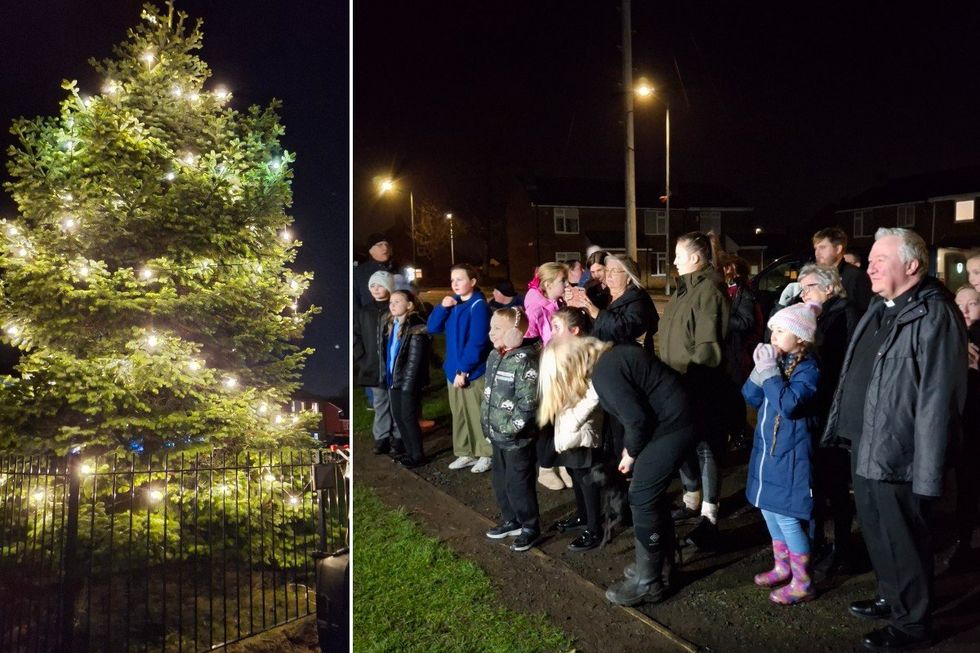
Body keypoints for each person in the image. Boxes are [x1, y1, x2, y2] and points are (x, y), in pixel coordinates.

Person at [822, 228, 967, 651]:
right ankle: (892, 597)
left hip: (898, 450)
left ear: (912, 265)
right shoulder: (881, 308)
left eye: (880, 259)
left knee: (903, 537)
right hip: (865, 443)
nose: (869, 266)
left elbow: (939, 398)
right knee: (876, 530)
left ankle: (913, 625)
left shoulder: (933, 314)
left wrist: (928, 470)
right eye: (870, 259)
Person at [541, 337, 694, 605]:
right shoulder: (610, 361)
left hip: (675, 426)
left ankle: (650, 583)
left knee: (642, 498)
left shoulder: (605, 372)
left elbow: (636, 418)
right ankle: (661, 566)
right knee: (650, 497)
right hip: (673, 421)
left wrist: (631, 454)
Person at [743, 302, 821, 605]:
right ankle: (782, 566)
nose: (773, 335)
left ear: (800, 337)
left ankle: (803, 582)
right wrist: (757, 371)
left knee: (788, 518)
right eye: (773, 329)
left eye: (781, 330)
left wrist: (770, 374)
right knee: (769, 510)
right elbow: (750, 397)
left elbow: (789, 405)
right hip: (769, 452)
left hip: (791, 454)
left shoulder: (808, 369)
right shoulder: (777, 363)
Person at [659, 232, 730, 549]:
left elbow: (708, 347)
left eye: (678, 254)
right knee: (683, 445)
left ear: (697, 258)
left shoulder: (708, 291)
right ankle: (691, 500)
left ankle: (710, 515)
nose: (673, 260)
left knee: (705, 448)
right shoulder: (682, 291)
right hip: (677, 383)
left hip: (699, 386)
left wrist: (690, 384)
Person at [797, 264, 860, 572]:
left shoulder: (844, 313)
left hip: (832, 410)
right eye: (801, 288)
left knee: (834, 482)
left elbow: (840, 363)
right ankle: (817, 540)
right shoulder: (817, 315)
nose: (803, 293)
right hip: (817, 407)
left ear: (829, 288)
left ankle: (843, 548)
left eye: (808, 286)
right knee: (817, 480)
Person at [541, 307, 604, 552]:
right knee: (574, 472)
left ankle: (594, 528)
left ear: (575, 330)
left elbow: (593, 395)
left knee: (586, 478)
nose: (552, 332)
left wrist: (575, 420)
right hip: (565, 425)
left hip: (581, 426)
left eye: (557, 327)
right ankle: (581, 515)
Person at [481, 307, 542, 552]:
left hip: (516, 438)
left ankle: (530, 526)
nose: (491, 333)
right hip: (496, 434)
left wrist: (511, 427)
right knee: (500, 481)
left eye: (498, 328)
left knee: (519, 483)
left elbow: (528, 403)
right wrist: (489, 424)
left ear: (515, 332)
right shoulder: (495, 356)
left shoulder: (525, 360)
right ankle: (511, 520)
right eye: (491, 327)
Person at [427, 263, 494, 473]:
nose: (455, 283)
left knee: (476, 412)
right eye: (452, 279)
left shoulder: (478, 306)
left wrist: (463, 371)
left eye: (460, 279)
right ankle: (465, 452)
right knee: (459, 413)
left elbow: (478, 341)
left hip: (471, 371)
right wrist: (442, 307)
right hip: (453, 370)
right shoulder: (454, 304)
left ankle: (485, 453)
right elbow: (432, 327)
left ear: (472, 282)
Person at [522, 261, 571, 491]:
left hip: (564, 367)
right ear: (549, 284)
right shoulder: (536, 307)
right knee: (549, 420)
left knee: (564, 417)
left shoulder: (556, 301)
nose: (566, 284)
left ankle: (562, 463)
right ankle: (546, 467)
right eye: (563, 281)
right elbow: (531, 340)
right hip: (548, 370)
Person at [380, 290, 431, 469]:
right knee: (399, 418)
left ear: (409, 305)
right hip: (393, 380)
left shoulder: (416, 326)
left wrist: (408, 385)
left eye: (397, 301)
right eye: (391, 302)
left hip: (407, 382)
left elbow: (414, 360)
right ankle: (409, 452)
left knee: (409, 418)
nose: (392, 305)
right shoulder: (391, 324)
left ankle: (417, 455)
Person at [948, 285, 980, 570]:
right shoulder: (951, 337)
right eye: (960, 305)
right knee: (965, 486)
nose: (965, 310)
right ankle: (963, 541)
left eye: (973, 304)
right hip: (961, 428)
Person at [353, 271, 401, 455]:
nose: (375, 289)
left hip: (393, 366)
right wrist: (362, 357)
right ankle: (381, 438)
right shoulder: (365, 312)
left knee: (395, 402)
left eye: (379, 285)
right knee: (380, 403)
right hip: (372, 366)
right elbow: (356, 336)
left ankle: (398, 436)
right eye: (372, 286)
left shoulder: (394, 309)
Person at [568, 254, 658, 351]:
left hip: (626, 359)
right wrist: (575, 307)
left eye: (614, 271)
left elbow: (630, 329)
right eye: (607, 270)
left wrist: (598, 314)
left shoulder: (637, 299)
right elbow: (591, 328)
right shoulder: (600, 295)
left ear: (628, 277)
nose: (609, 275)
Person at [720, 253, 762, 450]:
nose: (723, 270)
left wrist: (721, 320)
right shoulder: (728, 290)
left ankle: (742, 436)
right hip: (729, 351)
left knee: (734, 396)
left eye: (726, 267)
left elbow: (746, 322)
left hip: (737, 353)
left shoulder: (742, 292)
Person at [812, 227, 874, 313]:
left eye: (822, 247)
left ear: (838, 249)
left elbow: (865, 312)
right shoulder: (817, 277)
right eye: (816, 248)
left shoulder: (856, 276)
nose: (817, 253)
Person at [354, 233, 395, 309]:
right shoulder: (359, 272)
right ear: (371, 250)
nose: (385, 248)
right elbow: (354, 301)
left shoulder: (397, 269)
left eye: (387, 245)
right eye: (380, 245)